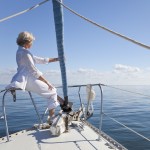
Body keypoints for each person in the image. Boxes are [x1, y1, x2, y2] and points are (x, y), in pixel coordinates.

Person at [6, 31, 69, 123]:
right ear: (27, 42)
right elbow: (34, 71)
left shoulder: (21, 51)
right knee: (52, 91)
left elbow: (41, 60)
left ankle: (65, 106)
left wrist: (57, 59)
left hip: (24, 79)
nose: (32, 44)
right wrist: (47, 82)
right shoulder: (25, 53)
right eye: (31, 42)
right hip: (29, 79)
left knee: (52, 91)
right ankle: (52, 118)